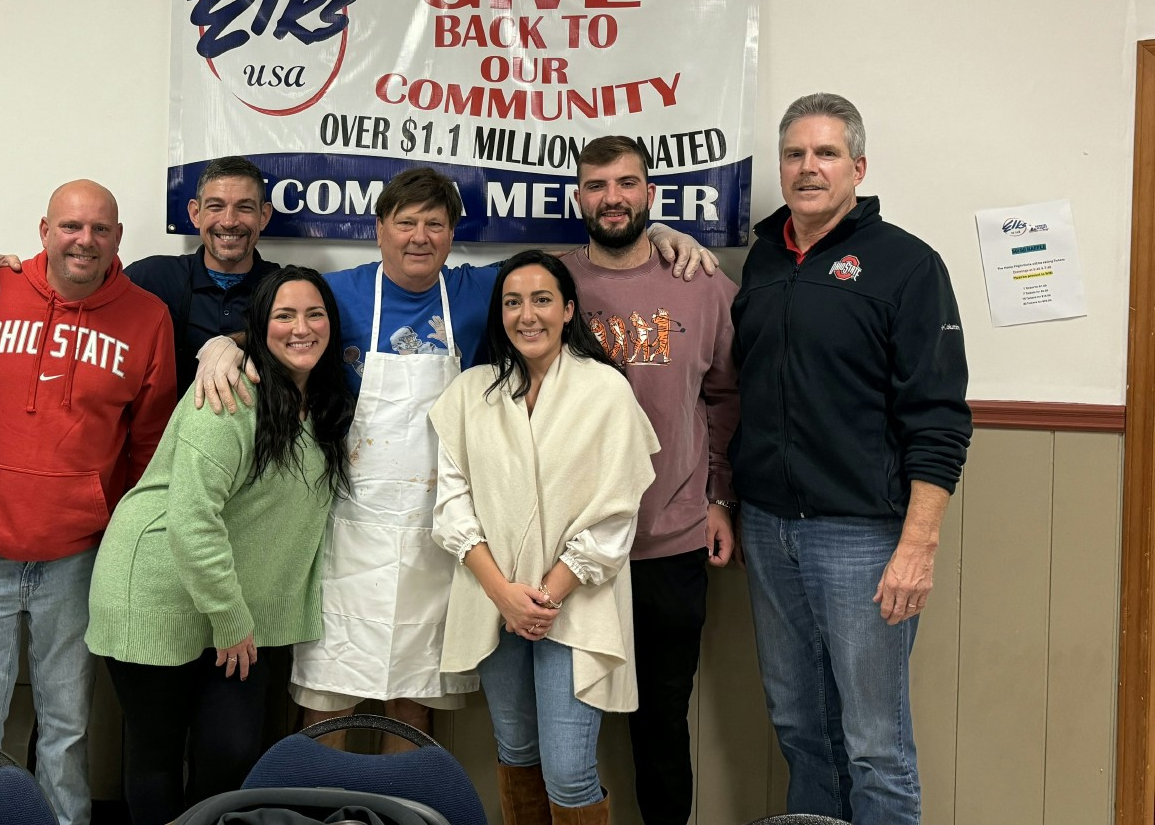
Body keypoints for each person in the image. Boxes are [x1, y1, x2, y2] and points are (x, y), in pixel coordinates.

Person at [197, 168, 716, 743]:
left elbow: (575, 265)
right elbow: (279, 323)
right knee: (327, 697)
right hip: (348, 532)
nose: (419, 237)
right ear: (379, 230)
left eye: (435, 225)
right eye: (406, 223)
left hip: (443, 537)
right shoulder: (337, 294)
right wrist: (223, 344)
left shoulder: (478, 293)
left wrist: (666, 235)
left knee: (414, 700)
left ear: (452, 235)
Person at [730, 93, 971, 825]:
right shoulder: (764, 260)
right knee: (801, 728)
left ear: (857, 166)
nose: (809, 168)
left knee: (875, 744)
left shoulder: (907, 264)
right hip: (768, 530)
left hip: (863, 538)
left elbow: (940, 418)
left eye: (826, 153)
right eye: (796, 154)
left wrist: (918, 545)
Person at [0, 180, 177, 825]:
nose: (84, 241)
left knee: (66, 731)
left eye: (100, 230)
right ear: (44, 231)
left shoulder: (147, 317)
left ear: (118, 239)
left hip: (78, 556)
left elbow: (150, 444)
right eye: (71, 226)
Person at [85, 266, 354, 823]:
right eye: (284, 316)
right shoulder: (229, 395)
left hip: (235, 609)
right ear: (260, 326)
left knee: (228, 754)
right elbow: (191, 520)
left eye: (314, 314)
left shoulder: (325, 404)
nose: (300, 328)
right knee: (156, 757)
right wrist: (230, 617)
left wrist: (237, 616)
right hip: (158, 588)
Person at [428, 250, 657, 825]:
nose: (526, 315)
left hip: (573, 606)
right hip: (495, 602)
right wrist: (504, 594)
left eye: (541, 300)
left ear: (568, 309)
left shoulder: (605, 391)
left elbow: (615, 514)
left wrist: (545, 598)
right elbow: (452, 503)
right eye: (512, 302)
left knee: (568, 770)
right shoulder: (473, 393)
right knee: (516, 754)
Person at [564, 136, 739, 825]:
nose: (613, 197)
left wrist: (720, 498)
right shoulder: (547, 280)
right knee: (567, 721)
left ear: (650, 194)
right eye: (597, 184)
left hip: (671, 539)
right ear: (579, 196)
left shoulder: (703, 285)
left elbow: (727, 398)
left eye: (627, 183)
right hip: (567, 549)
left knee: (663, 722)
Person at [0, 156, 278, 394]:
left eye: (246, 208)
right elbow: (81, 276)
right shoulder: (153, 277)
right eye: (216, 206)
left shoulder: (287, 288)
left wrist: (231, 342)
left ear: (264, 216)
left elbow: (312, 330)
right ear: (195, 213)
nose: (229, 221)